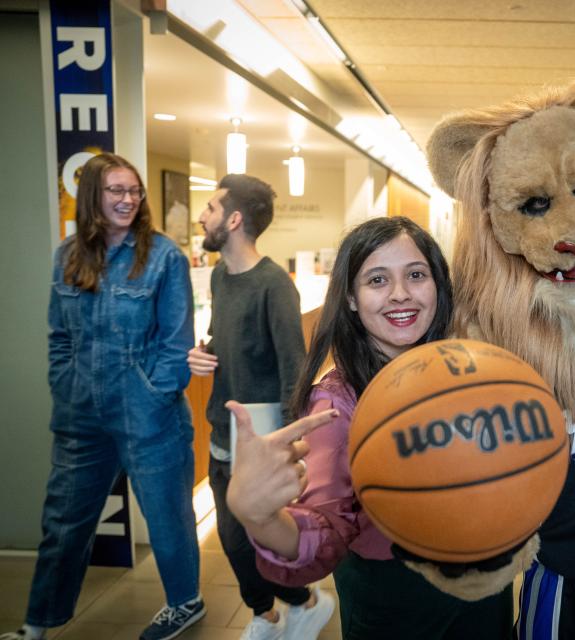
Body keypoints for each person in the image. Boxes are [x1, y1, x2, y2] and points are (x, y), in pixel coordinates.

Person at [226, 216, 514, 639]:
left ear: (438, 286)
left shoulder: (470, 369)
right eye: (377, 280)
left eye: (416, 275)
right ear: (352, 299)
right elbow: (323, 531)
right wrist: (262, 517)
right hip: (399, 609)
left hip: (486, 598)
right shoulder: (338, 402)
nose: (400, 294)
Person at [1, 153, 201, 640]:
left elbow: (176, 345)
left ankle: (185, 603)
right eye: (116, 190)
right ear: (93, 194)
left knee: (167, 517)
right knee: (64, 523)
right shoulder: (67, 255)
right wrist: (65, 386)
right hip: (80, 416)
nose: (128, 199)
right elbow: (59, 337)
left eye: (134, 191)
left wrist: (153, 394)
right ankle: (37, 623)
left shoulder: (164, 257)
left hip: (149, 416)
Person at [186, 174, 333, 640]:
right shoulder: (218, 276)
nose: (202, 217)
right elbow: (224, 336)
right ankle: (268, 613)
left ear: (232, 219)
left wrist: (290, 445)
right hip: (223, 430)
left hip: (261, 439)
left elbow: (295, 367)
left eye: (210, 208)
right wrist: (203, 353)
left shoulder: (274, 284)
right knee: (232, 540)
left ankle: (301, 602)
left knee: (254, 538)